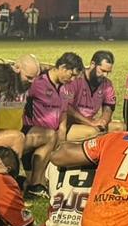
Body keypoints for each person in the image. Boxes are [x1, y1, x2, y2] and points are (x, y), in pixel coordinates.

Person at [22, 52, 84, 198]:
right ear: (62, 67)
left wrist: (62, 132)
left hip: (52, 135)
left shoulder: (65, 87)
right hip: (33, 133)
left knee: (57, 136)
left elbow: (63, 111)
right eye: (72, 75)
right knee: (50, 135)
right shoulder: (37, 83)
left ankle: (41, 182)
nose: (73, 79)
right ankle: (36, 183)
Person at [65, 50, 122, 141]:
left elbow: (109, 107)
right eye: (102, 70)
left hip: (91, 123)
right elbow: (67, 108)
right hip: (71, 124)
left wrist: (103, 121)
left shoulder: (107, 84)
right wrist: (90, 122)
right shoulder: (76, 78)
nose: (105, 75)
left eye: (108, 72)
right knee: (94, 132)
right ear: (92, 64)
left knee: (120, 127)